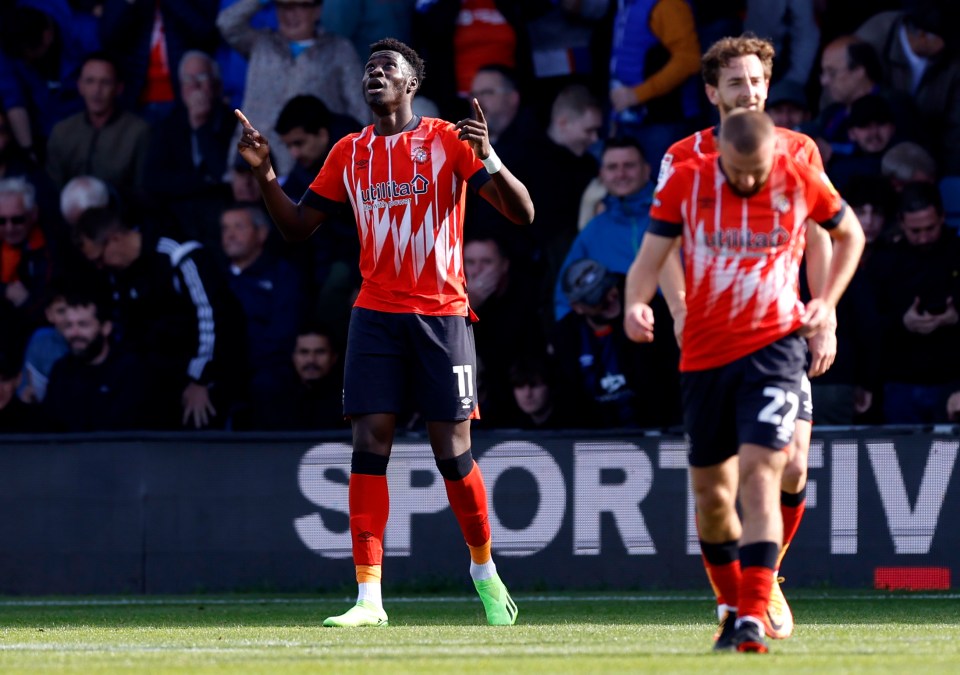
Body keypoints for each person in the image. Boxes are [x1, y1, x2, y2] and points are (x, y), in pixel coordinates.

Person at [234, 37, 533, 627]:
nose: (375, 74)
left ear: (410, 84)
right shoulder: (349, 152)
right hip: (374, 314)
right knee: (369, 447)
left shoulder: (449, 139)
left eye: (387, 67)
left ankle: (483, 569)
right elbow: (297, 227)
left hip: (442, 314)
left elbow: (522, 214)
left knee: (452, 453)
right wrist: (267, 173)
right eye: (369, 68)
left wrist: (491, 158)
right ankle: (369, 599)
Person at [625, 110, 864, 653]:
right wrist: (635, 303)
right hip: (706, 352)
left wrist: (825, 304)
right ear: (721, 157)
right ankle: (733, 608)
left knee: (763, 473)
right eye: (741, 171)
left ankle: (754, 615)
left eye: (759, 170)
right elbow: (652, 254)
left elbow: (849, 233)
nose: (751, 181)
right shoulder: (687, 179)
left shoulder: (798, 175)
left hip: (773, 348)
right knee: (713, 496)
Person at [654, 34, 838, 641]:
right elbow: (664, 243)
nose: (751, 92)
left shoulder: (798, 149)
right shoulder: (682, 158)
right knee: (722, 483)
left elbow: (819, 233)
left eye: (757, 82)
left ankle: (766, 581)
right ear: (712, 92)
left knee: (789, 467)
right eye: (736, 83)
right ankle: (738, 601)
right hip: (711, 334)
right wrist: (678, 308)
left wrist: (824, 309)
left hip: (780, 331)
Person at [74, 205, 249, 430]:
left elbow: (212, 318)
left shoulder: (179, 256)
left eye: (100, 259)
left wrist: (200, 379)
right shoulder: (119, 275)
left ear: (115, 239)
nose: (100, 267)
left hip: (207, 371)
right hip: (157, 374)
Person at [216, 0, 369, 177]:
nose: (291, 14)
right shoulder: (262, 44)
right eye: (284, 6)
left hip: (314, 167)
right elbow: (227, 23)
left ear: (317, 10)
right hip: (254, 163)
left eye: (301, 6)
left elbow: (359, 110)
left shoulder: (338, 49)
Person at [866, 181, 960, 423]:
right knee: (905, 456)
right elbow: (869, 321)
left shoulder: (956, 252)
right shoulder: (885, 259)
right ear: (901, 222)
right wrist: (902, 322)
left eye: (930, 228)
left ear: (942, 217)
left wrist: (955, 316)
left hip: (952, 379)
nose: (924, 237)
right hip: (900, 380)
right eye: (915, 231)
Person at [551, 258, 680, 429]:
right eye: (598, 298)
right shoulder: (567, 338)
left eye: (609, 286)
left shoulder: (649, 313)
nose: (611, 297)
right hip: (599, 441)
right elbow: (569, 400)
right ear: (578, 307)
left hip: (658, 430)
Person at [221, 201, 306, 420]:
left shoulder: (282, 275)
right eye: (225, 228)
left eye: (238, 227)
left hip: (267, 369)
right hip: (222, 369)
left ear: (261, 233)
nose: (230, 235)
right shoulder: (215, 276)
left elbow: (284, 330)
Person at [554, 136, 654, 321]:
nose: (621, 174)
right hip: (617, 336)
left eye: (629, 165)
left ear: (647, 170)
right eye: (612, 167)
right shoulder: (593, 230)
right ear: (602, 175)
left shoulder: (671, 215)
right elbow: (564, 297)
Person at [44, 53, 151, 200]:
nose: (97, 90)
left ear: (118, 88)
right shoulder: (62, 132)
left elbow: (142, 190)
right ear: (80, 86)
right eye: (90, 81)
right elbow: (54, 188)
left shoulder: (138, 132)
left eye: (105, 82)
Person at [43, 289, 150, 431]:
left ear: (106, 328)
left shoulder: (130, 370)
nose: (74, 333)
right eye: (68, 326)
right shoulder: (61, 370)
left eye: (83, 325)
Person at [253, 322, 348, 430]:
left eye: (320, 352)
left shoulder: (348, 402)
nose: (311, 360)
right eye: (304, 352)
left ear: (334, 357)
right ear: (293, 356)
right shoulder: (274, 402)